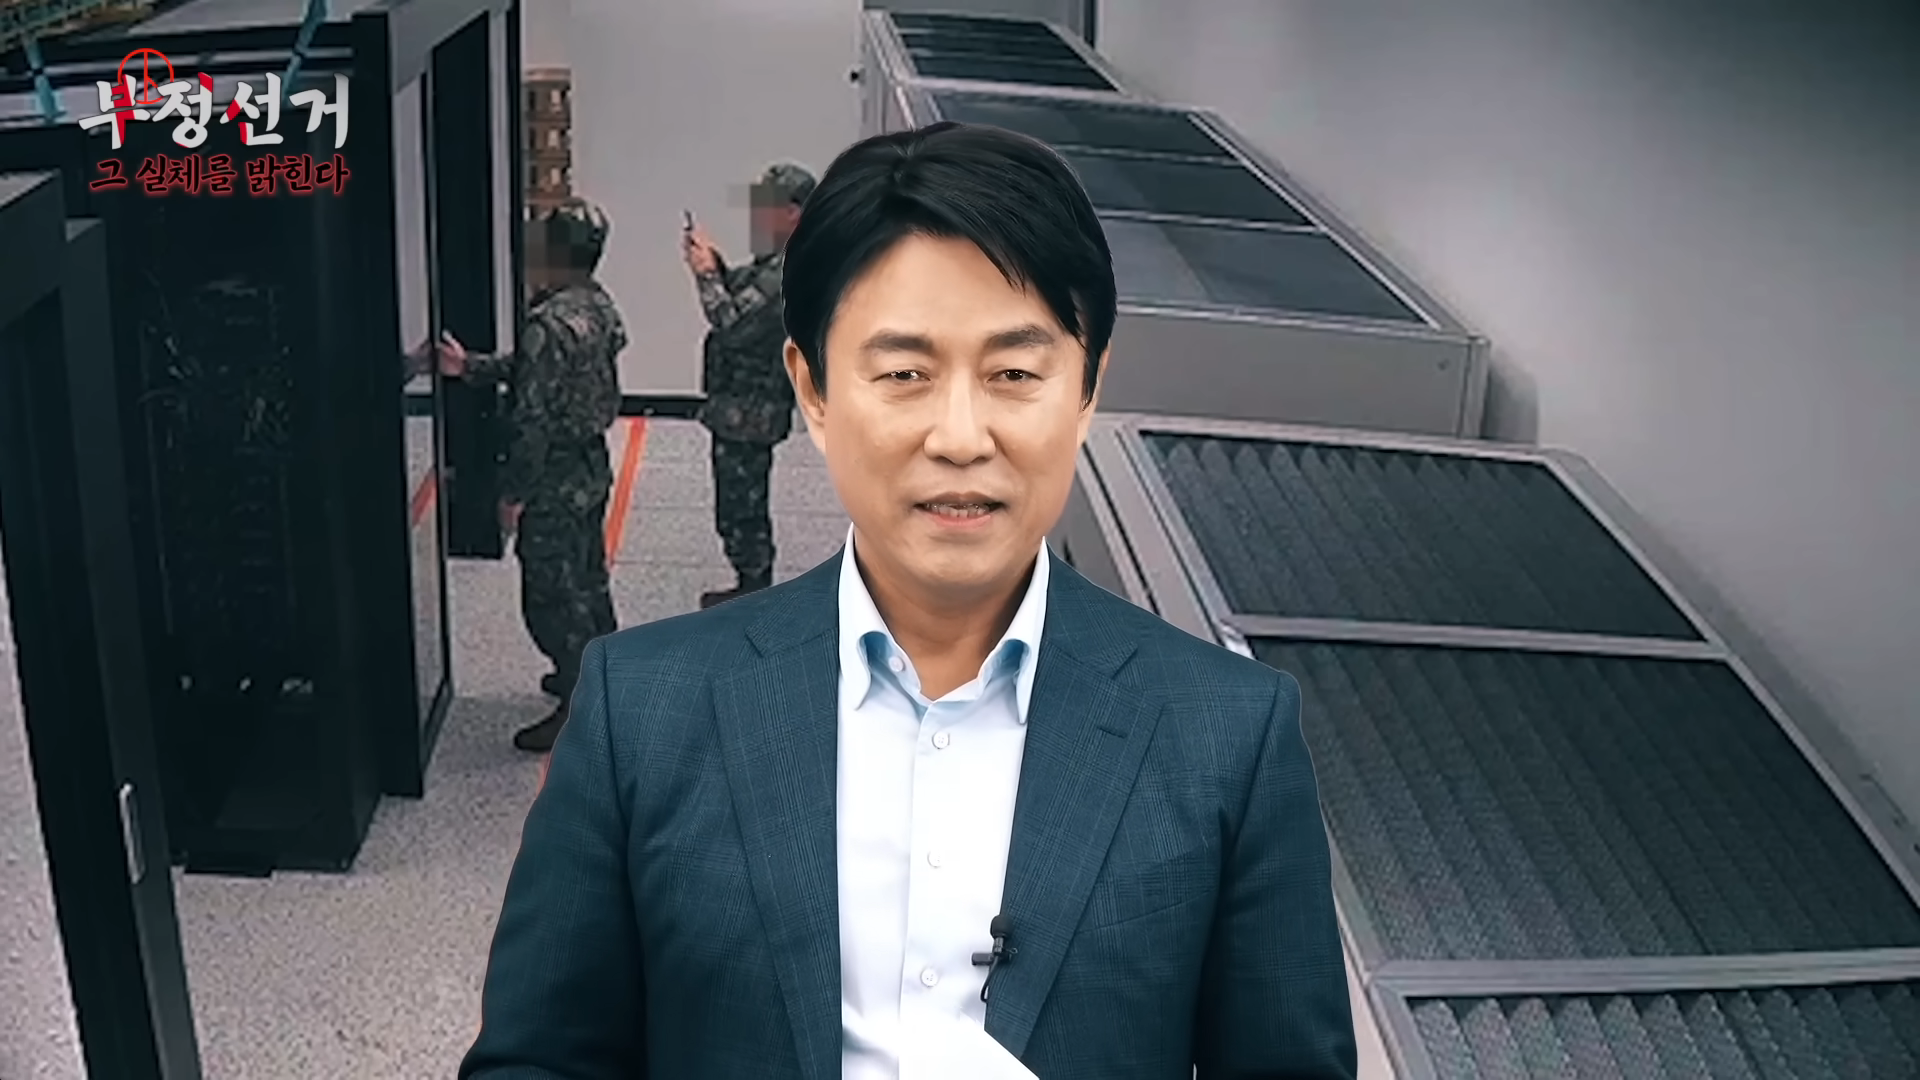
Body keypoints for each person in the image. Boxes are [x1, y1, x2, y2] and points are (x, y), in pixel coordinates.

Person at [462, 124, 1356, 1078]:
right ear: (813, 391)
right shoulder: (641, 710)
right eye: (903, 375)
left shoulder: (1229, 735)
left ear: (1088, 388)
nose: (960, 437)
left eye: (1015, 374)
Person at [436, 197, 625, 754]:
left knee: (550, 596)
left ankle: (578, 705)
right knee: (587, 578)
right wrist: (471, 367)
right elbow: (543, 375)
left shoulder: (548, 322)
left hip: (551, 476)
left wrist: (514, 493)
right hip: (589, 465)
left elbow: (533, 416)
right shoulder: (595, 304)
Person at [683, 162, 816, 609]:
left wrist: (705, 274)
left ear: (793, 212)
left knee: (741, 507)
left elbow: (731, 321)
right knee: (741, 503)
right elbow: (744, 290)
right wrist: (718, 265)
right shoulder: (785, 259)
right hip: (744, 405)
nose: (758, 213)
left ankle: (754, 592)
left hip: (750, 410)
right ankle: (751, 586)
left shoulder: (787, 271)